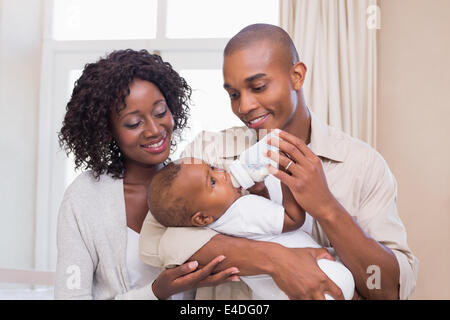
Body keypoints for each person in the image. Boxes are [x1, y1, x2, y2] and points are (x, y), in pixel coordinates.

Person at [139, 24, 419, 300]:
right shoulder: (207, 152)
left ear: (297, 76)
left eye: (258, 86)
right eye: (234, 94)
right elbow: (157, 245)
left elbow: (388, 289)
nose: (244, 106)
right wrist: (275, 260)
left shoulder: (362, 165)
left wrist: (327, 208)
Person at [54, 49, 240, 300]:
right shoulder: (85, 198)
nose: (154, 130)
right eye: (133, 123)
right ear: (108, 131)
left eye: (160, 111)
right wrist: (155, 293)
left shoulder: (199, 182)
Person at [147, 157, 355, 300]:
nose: (222, 173)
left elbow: (263, 229)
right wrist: (286, 179)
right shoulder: (242, 207)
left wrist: (261, 191)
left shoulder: (214, 229)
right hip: (324, 280)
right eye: (212, 181)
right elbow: (292, 219)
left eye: (212, 167)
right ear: (201, 218)